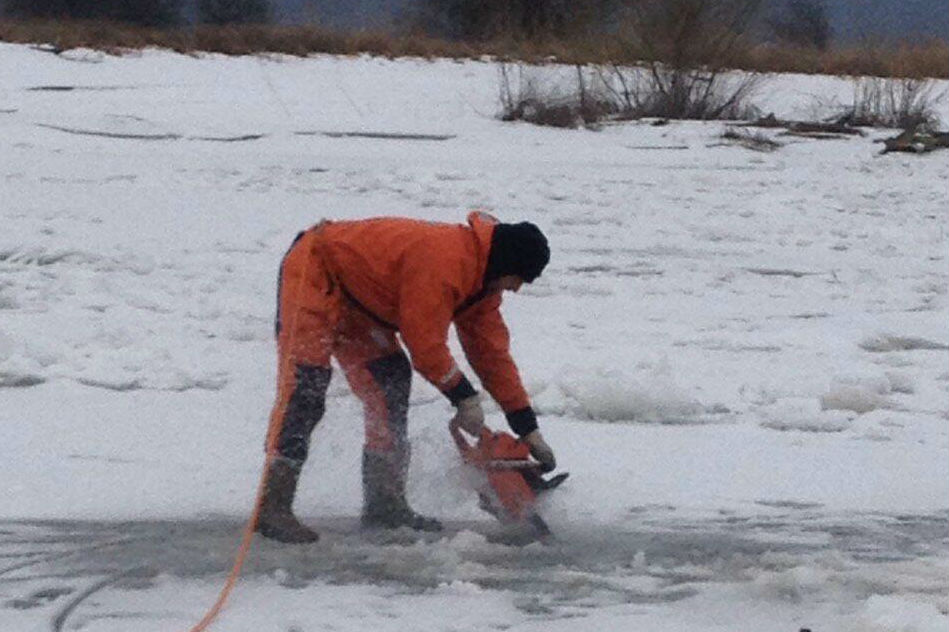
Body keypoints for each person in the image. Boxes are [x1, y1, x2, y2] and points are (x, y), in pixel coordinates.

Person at [255, 210, 556, 543]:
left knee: (390, 382)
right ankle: (273, 507)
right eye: (519, 278)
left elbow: (491, 356)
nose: (516, 289)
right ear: (506, 264)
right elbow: (425, 345)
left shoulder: (482, 287)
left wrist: (527, 428)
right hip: (316, 273)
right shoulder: (444, 262)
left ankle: (384, 504)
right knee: (305, 390)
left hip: (362, 302)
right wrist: (463, 396)